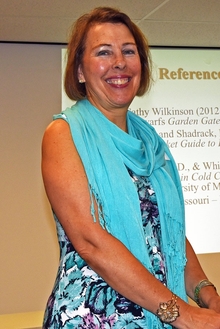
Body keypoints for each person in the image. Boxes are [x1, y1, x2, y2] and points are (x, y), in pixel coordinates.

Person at [41, 6, 220, 329]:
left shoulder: (150, 142)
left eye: (128, 51)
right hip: (94, 318)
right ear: (80, 71)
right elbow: (90, 240)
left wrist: (207, 293)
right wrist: (183, 313)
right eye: (104, 52)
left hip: (160, 313)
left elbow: (168, 232)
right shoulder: (64, 133)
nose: (119, 63)